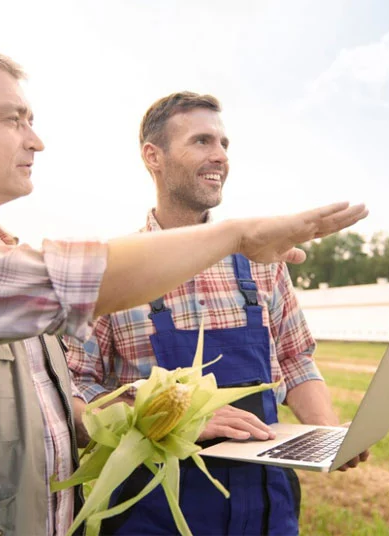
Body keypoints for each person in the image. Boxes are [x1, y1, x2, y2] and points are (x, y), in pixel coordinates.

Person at [0, 46, 367, 535]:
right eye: (13, 119)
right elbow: (59, 285)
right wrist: (237, 235)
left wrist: (129, 414)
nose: (37, 141)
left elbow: (54, 413)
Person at [66, 92, 370, 535]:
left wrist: (326, 435)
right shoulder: (116, 269)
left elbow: (295, 359)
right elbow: (74, 385)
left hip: (265, 504)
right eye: (202, 141)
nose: (220, 156)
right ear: (154, 156)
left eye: (224, 144)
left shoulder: (264, 261)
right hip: (154, 508)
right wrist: (172, 419)